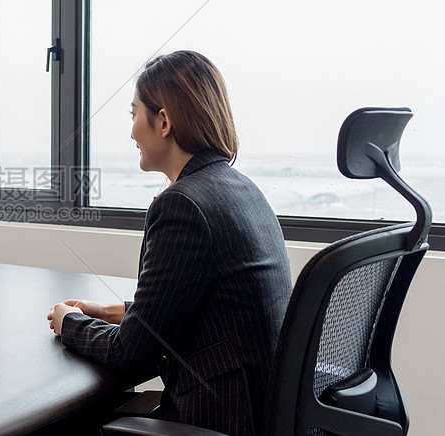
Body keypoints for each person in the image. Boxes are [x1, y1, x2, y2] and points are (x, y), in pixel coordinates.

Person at [47, 51, 292, 435]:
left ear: (163, 121)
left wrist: (70, 323)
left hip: (218, 420)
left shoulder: (183, 204)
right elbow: (209, 308)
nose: (131, 132)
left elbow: (131, 356)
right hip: (258, 410)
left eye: (133, 115)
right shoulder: (239, 188)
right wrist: (118, 311)